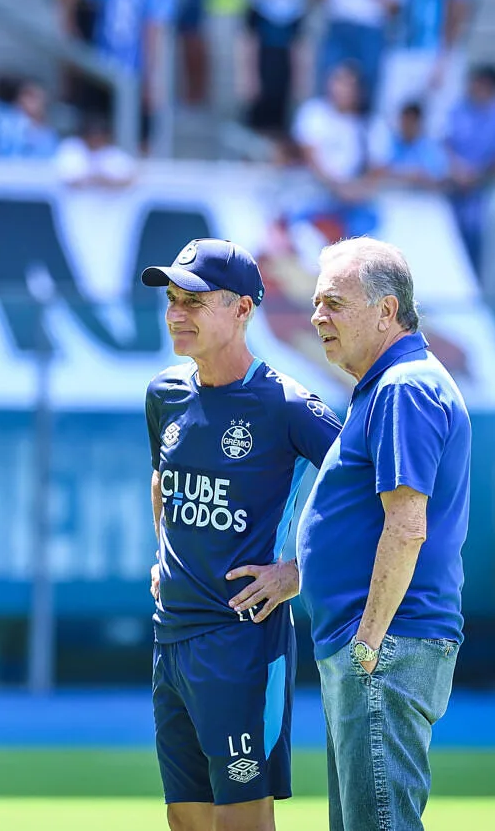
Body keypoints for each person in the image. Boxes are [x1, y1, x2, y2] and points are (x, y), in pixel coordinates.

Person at [141, 238, 342, 831]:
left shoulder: (289, 406)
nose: (177, 313)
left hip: (241, 643)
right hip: (170, 637)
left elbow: (371, 498)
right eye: (172, 299)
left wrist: (297, 574)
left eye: (195, 301)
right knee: (185, 820)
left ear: (243, 310)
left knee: (242, 824)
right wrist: (164, 554)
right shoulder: (164, 394)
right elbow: (162, 480)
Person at [297, 237, 469, 831]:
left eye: (335, 303)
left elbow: (407, 524)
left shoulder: (403, 387)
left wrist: (367, 642)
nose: (318, 317)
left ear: (386, 311)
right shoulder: (389, 385)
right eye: (317, 303)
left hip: (384, 644)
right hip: (376, 643)